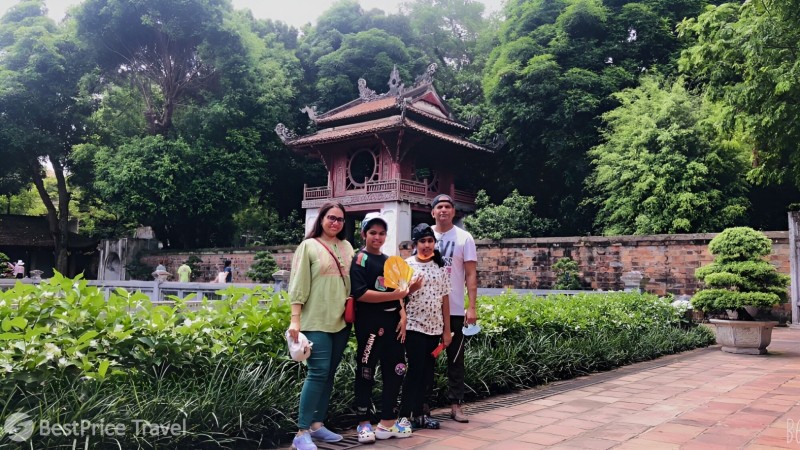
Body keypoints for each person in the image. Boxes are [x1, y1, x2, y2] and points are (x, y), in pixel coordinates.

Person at [287, 202, 355, 450]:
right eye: (331, 218)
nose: (335, 222)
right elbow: (298, 284)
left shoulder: (347, 247)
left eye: (339, 219)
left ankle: (317, 424)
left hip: (341, 321)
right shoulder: (308, 246)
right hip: (315, 320)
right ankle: (301, 431)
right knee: (317, 373)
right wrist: (296, 318)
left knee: (329, 374)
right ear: (321, 219)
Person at [351, 212, 411, 444]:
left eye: (382, 233)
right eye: (373, 232)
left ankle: (386, 422)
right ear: (364, 234)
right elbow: (361, 294)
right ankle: (364, 422)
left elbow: (399, 294)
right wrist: (397, 295)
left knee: (396, 369)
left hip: (394, 324)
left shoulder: (390, 261)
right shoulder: (360, 260)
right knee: (366, 371)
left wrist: (403, 316)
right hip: (370, 326)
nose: (377, 237)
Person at [430, 194, 477, 423]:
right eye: (439, 207)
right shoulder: (425, 235)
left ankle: (456, 405)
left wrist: (472, 307)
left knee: (456, 359)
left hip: (456, 308)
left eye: (448, 207)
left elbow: (470, 274)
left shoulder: (464, 238)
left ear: (453, 212)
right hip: (428, 309)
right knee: (425, 359)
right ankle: (422, 404)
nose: (443, 210)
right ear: (433, 212)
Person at [400, 223, 451, 430]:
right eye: (422, 241)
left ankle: (421, 414)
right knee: (414, 372)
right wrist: (411, 289)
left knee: (428, 374)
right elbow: (398, 297)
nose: (427, 245)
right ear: (415, 244)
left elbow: (445, 299)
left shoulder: (440, 267)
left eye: (430, 241)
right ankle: (404, 416)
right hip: (413, 326)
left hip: (434, 328)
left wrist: (447, 330)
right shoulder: (406, 265)